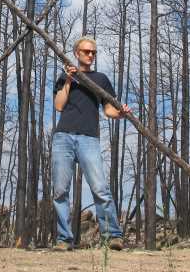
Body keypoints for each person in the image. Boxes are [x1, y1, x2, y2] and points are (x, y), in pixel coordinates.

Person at [52, 36, 130, 251]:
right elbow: (59, 106)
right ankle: (64, 239)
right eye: (86, 51)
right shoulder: (64, 76)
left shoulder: (102, 79)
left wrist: (121, 113)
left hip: (89, 138)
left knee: (100, 188)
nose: (90, 55)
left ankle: (113, 236)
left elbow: (108, 110)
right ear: (77, 53)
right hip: (63, 137)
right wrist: (68, 80)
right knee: (60, 190)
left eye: (93, 52)